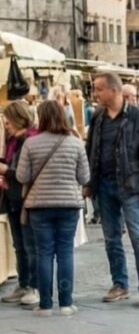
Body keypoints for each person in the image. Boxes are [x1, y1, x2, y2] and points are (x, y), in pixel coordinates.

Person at [85, 72, 139, 308]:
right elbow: (91, 151)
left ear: (113, 91)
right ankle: (120, 284)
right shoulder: (98, 117)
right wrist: (89, 183)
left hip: (132, 186)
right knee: (111, 238)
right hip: (105, 186)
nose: (94, 94)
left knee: (138, 236)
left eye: (98, 89)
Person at [17, 100, 90, 316]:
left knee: (44, 253)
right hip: (68, 205)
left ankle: (45, 305)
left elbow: (22, 176)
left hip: (39, 205)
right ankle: (66, 304)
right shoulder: (75, 143)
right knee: (65, 252)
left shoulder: (31, 143)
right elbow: (84, 177)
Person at [0, 101, 40, 307]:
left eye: (7, 121)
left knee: (30, 245)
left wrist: (4, 170)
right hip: (13, 198)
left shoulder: (28, 140)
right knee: (19, 244)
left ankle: (34, 286)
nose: (5, 125)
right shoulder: (12, 140)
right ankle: (24, 283)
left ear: (17, 118)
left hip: (27, 199)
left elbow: (25, 174)